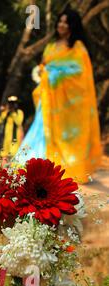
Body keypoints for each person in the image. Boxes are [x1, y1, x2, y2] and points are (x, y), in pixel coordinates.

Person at [15, 9, 102, 184]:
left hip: (65, 105)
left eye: (66, 22)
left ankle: (55, 170)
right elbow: (44, 65)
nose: (61, 25)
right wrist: (41, 71)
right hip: (47, 99)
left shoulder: (77, 48)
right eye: (60, 21)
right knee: (40, 130)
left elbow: (79, 73)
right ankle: (31, 168)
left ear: (72, 26)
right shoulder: (50, 46)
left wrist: (53, 74)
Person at [0, 96, 24, 160]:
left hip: (14, 139)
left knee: (13, 156)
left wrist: (13, 113)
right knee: (4, 156)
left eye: (13, 103)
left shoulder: (19, 112)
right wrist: (4, 111)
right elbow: (0, 121)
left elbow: (19, 122)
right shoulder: (6, 112)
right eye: (10, 103)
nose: (11, 105)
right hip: (5, 139)